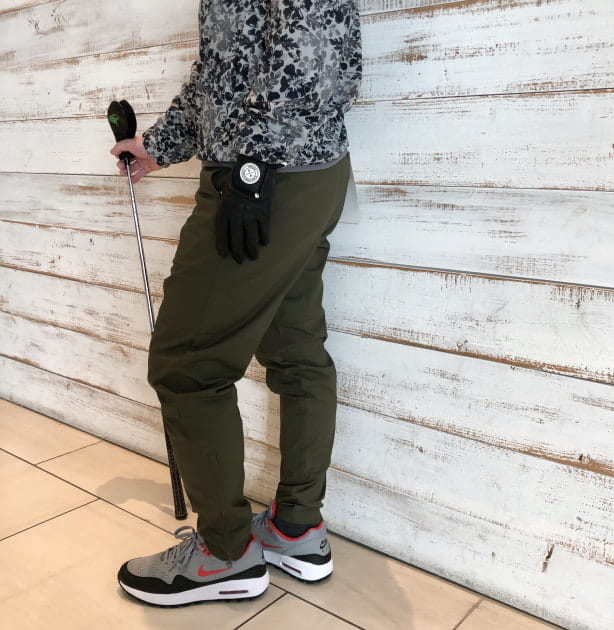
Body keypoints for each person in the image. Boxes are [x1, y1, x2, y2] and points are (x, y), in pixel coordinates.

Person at [110, 0, 362, 607]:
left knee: (187, 365)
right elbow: (223, 67)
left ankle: (225, 553)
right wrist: (159, 145)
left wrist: (253, 170)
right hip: (298, 171)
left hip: (264, 180)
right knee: (296, 351)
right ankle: (296, 530)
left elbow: (307, 48)